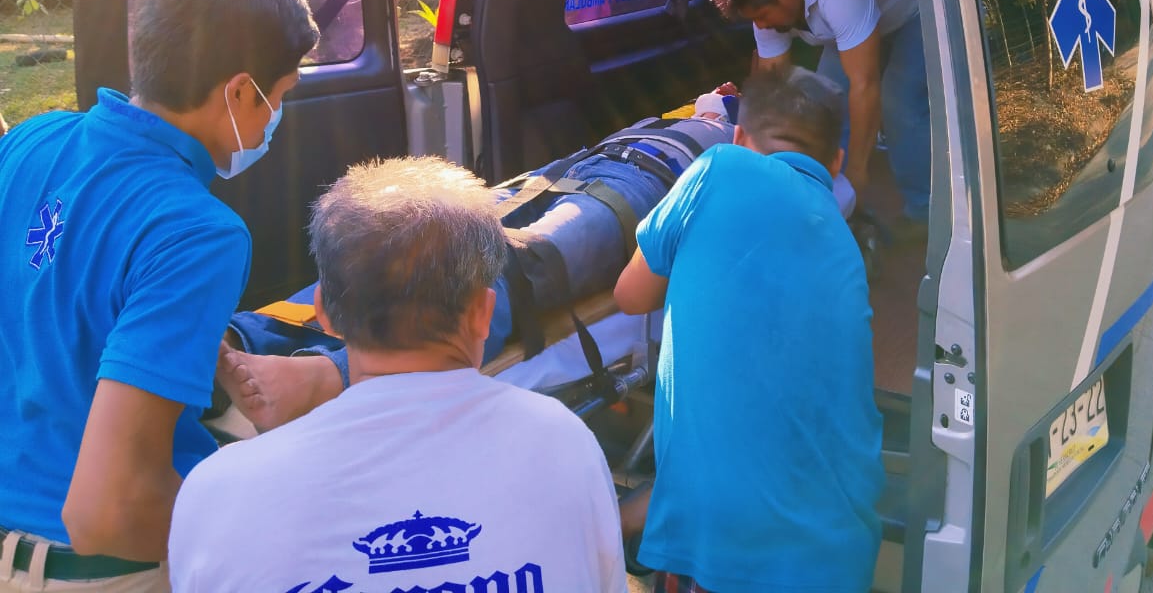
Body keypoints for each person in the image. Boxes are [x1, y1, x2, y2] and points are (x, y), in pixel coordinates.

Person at [0, 0, 317, 591]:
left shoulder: (31, 140)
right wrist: (275, 536)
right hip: (89, 568)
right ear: (237, 92)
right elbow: (109, 511)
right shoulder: (197, 232)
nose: (277, 118)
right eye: (278, 98)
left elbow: (52, 289)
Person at [169, 157, 628, 593]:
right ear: (484, 314)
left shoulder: (216, 491)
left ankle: (293, 357)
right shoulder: (564, 442)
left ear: (324, 314)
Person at [213, 90, 765, 432]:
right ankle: (245, 335)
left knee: (518, 263)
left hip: (642, 194)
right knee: (399, 241)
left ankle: (326, 375)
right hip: (584, 166)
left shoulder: (748, 146)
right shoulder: (689, 108)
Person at [615, 67, 884, 593]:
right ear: (835, 164)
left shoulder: (718, 168)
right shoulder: (842, 243)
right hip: (841, 552)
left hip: (734, 555)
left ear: (738, 137)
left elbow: (631, 296)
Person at [711, 0, 930, 230]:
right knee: (828, 102)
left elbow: (865, 85)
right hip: (863, 11)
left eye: (761, 17)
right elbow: (772, 91)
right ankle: (829, 194)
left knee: (900, 105)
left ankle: (923, 212)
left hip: (917, 3)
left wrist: (857, 171)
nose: (760, 26)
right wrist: (754, 164)